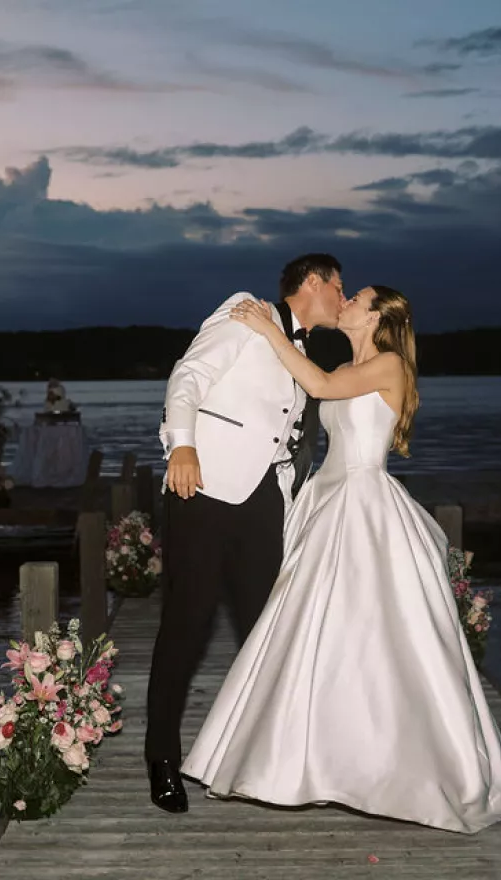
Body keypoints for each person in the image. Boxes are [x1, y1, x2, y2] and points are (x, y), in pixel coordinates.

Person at [181, 286, 501, 833]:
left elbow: (317, 385)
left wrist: (270, 332)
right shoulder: (347, 361)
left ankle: (403, 767)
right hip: (328, 500)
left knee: (379, 638)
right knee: (321, 638)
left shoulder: (391, 364)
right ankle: (318, 760)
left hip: (365, 508)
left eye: (356, 298)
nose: (345, 302)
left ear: (377, 317)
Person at [145, 253, 346, 813]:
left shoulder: (307, 348)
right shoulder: (243, 310)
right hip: (202, 486)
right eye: (338, 287)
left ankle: (262, 758)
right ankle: (161, 758)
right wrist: (180, 445)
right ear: (313, 282)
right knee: (186, 625)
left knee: (267, 628)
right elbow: (188, 376)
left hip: (265, 501)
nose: (341, 297)